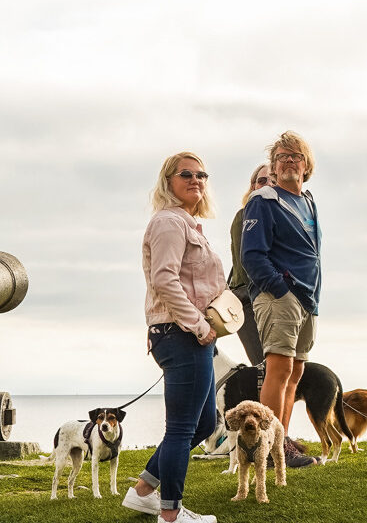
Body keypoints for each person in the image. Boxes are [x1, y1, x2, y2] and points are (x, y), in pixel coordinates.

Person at [122, 152, 224, 523]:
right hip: (181, 334)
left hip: (193, 335)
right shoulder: (168, 222)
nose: (196, 180)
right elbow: (164, 280)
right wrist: (198, 325)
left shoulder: (190, 224)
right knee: (182, 428)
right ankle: (171, 514)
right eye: (186, 174)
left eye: (201, 175)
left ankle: (143, 492)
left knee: (205, 424)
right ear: (168, 181)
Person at [242, 131, 323, 469]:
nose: (290, 160)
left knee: (296, 371)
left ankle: (281, 444)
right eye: (282, 157)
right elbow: (252, 255)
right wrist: (279, 289)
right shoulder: (264, 199)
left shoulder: (309, 202)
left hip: (308, 299)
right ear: (273, 168)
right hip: (281, 297)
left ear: (306, 166)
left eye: (296, 156)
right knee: (279, 368)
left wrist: (310, 296)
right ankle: (264, 448)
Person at [225, 163, 273, 365]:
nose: (267, 184)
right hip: (250, 300)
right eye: (262, 180)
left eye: (273, 180)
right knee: (265, 364)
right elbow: (245, 262)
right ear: (253, 186)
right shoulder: (243, 216)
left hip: (274, 300)